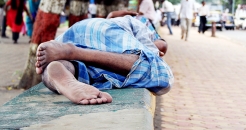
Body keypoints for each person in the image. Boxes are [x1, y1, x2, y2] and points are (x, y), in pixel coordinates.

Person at [35, 14, 174, 105]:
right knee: (158, 72)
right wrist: (156, 49)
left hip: (75, 35)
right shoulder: (139, 20)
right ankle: (72, 52)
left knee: (70, 69)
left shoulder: (109, 19)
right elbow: (161, 46)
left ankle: (56, 68)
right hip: (98, 34)